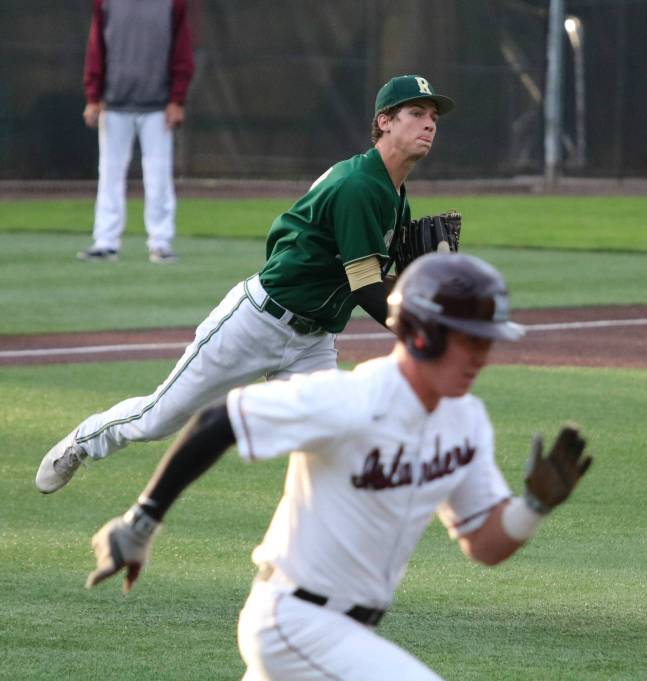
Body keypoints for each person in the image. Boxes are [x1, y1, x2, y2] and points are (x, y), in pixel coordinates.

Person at [84, 253, 593, 681]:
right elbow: (219, 420)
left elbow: (483, 542)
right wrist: (141, 523)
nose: (484, 356)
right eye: (472, 340)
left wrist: (531, 508)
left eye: (488, 341)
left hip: (344, 634)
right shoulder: (351, 399)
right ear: (421, 333)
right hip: (292, 622)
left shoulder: (466, 421)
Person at [36, 74, 455, 494]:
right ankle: (83, 442)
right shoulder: (360, 186)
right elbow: (365, 287)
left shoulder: (395, 194)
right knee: (158, 418)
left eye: (433, 116)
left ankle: (308, 546)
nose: (429, 124)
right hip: (258, 322)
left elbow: (370, 276)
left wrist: (417, 280)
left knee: (336, 439)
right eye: (416, 113)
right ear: (384, 121)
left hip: (313, 341)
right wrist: (422, 333)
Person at [78, 0, 195, 264]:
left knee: (158, 174)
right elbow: (97, 48)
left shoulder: (172, 3)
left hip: (157, 106)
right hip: (114, 103)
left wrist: (177, 99)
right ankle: (106, 241)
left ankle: (160, 242)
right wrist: (93, 97)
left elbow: (182, 51)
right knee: (109, 171)